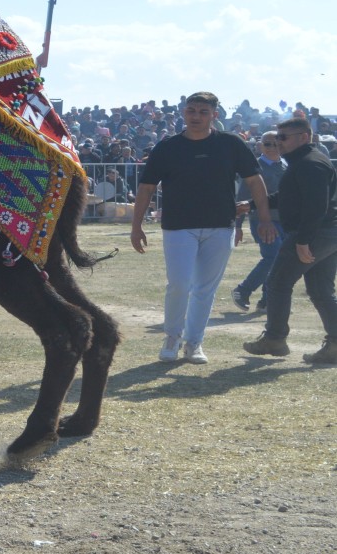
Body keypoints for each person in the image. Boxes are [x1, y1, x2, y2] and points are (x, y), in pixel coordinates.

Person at [130, 92, 275, 364]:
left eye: (203, 111)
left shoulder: (231, 144)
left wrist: (265, 218)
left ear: (214, 116)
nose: (196, 116)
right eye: (191, 110)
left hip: (220, 226)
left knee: (205, 289)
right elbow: (147, 187)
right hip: (178, 226)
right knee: (179, 284)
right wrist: (136, 226)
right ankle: (172, 336)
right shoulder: (167, 147)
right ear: (184, 113)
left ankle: (194, 342)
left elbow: (255, 181)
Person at [242, 117, 337, 364]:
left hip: (315, 233)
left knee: (277, 283)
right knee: (320, 290)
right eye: (275, 138)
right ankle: (335, 345)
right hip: (327, 233)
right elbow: (288, 197)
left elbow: (317, 206)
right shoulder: (305, 162)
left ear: (304, 137)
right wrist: (251, 205)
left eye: (283, 138)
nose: (277, 143)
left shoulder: (309, 164)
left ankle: (274, 338)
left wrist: (304, 240)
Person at [231, 131, 288, 312]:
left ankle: (266, 299)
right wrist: (238, 226)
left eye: (276, 143)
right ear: (260, 146)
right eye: (268, 144)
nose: (273, 147)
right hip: (262, 220)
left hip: (285, 221)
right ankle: (243, 290)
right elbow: (242, 198)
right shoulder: (255, 167)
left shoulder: (286, 166)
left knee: (280, 260)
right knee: (272, 257)